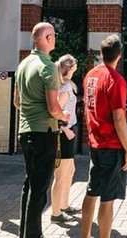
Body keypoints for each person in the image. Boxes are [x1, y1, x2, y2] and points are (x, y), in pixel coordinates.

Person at [14, 22, 70, 238]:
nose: (55, 38)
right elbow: (53, 107)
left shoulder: (23, 64)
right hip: (43, 132)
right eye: (53, 35)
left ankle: (26, 233)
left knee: (30, 184)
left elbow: (17, 101)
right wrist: (63, 116)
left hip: (25, 130)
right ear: (47, 38)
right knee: (39, 190)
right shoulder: (48, 66)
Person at [81, 34, 127, 238]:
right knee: (107, 198)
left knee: (92, 191)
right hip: (111, 144)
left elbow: (87, 108)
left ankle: (84, 235)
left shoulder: (90, 76)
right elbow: (119, 118)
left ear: (101, 54)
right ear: (119, 55)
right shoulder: (116, 80)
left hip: (95, 143)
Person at [50, 54, 81, 222]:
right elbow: (55, 112)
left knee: (69, 171)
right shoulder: (65, 88)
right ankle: (56, 212)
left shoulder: (66, 85)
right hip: (64, 133)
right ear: (69, 68)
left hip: (68, 131)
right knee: (61, 174)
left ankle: (64, 205)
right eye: (74, 64)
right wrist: (64, 128)